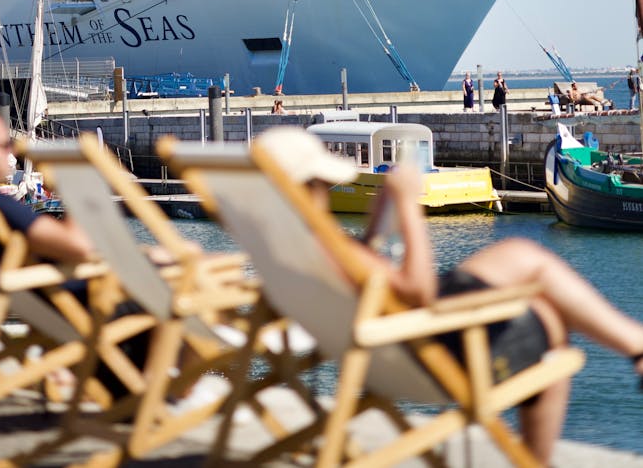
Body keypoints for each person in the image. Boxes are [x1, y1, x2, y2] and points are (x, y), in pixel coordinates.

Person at [255, 127, 643, 467]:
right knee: (550, 335)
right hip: (422, 347)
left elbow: (362, 270)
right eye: (322, 184)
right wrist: (408, 207)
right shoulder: (321, 248)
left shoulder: (282, 244)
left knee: (522, 256)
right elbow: (419, 290)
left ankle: (636, 346)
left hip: (382, 339)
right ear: (307, 187)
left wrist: (377, 224)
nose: (327, 190)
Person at [0, 110, 150, 395]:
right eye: (3, 145)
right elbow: (79, 247)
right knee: (171, 289)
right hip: (71, 301)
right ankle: (169, 392)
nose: (11, 152)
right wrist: (82, 189)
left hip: (25, 300)